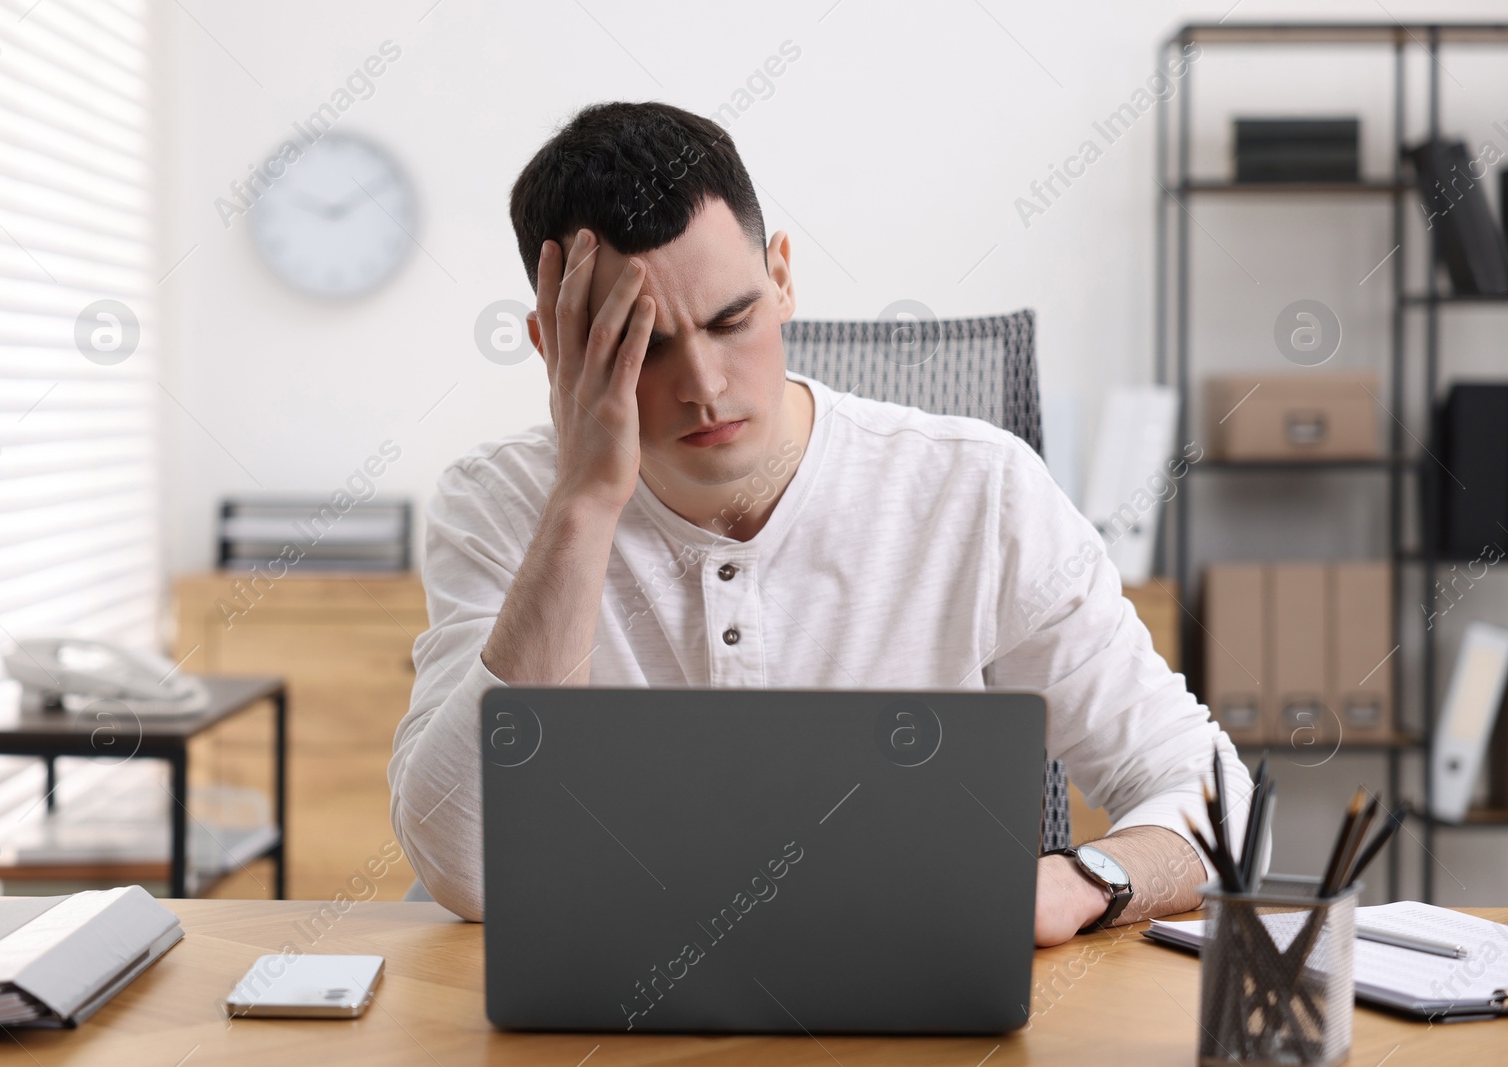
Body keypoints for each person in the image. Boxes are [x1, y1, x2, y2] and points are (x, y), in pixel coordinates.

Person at [388, 100, 1256, 942]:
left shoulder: (979, 489)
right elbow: (472, 869)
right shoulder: (498, 505)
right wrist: (581, 508)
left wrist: (1080, 880)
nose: (704, 382)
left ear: (782, 276)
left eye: (734, 318)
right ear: (554, 348)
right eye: (643, 345)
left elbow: (1218, 801)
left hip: (921, 992)